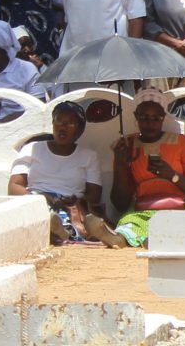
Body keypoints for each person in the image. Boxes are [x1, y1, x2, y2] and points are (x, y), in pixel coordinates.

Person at [11, 101, 121, 246]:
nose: (63, 127)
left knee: (67, 219)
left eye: (70, 124)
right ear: (53, 123)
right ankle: (57, 230)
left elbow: (94, 194)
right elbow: (14, 186)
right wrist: (40, 199)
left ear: (79, 130)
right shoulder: (32, 149)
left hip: (69, 206)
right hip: (36, 201)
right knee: (41, 215)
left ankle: (60, 231)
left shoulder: (88, 156)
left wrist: (74, 200)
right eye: (59, 121)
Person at [109, 87, 185, 245]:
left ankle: (153, 239)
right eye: (144, 118)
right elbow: (120, 203)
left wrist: (171, 175)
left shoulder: (180, 142)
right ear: (136, 117)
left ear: (163, 118)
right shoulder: (128, 146)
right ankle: (121, 239)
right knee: (128, 226)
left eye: (156, 118)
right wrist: (121, 164)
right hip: (142, 211)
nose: (150, 124)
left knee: (180, 228)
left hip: (176, 210)